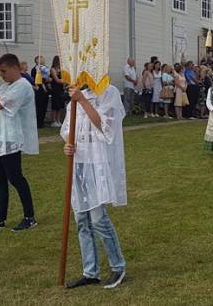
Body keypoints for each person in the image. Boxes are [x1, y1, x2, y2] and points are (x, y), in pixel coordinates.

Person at [60, 84, 129, 289]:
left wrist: (82, 100)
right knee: (82, 218)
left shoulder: (108, 92)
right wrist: (68, 145)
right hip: (80, 162)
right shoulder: (76, 96)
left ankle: (118, 265)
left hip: (97, 162)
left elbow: (105, 127)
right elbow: (68, 129)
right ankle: (90, 271)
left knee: (99, 218)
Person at [0, 54, 39, 231]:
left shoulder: (22, 86)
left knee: (15, 178)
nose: (1, 75)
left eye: (4, 71)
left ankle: (29, 216)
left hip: (10, 137)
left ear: (14, 68)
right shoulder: (5, 87)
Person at [31, 56, 51, 129]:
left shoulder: (45, 67)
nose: (43, 60)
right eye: (41, 59)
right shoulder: (35, 69)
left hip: (46, 90)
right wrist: (43, 85)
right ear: (37, 61)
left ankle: (42, 122)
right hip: (39, 90)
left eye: (43, 58)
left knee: (44, 106)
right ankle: (38, 123)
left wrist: (48, 80)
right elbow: (35, 80)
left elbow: (48, 78)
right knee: (40, 106)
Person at [50, 56, 67, 127]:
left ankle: (58, 120)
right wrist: (66, 80)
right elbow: (57, 80)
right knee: (55, 105)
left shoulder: (61, 69)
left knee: (60, 105)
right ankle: (54, 121)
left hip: (61, 89)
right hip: (55, 88)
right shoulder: (52, 69)